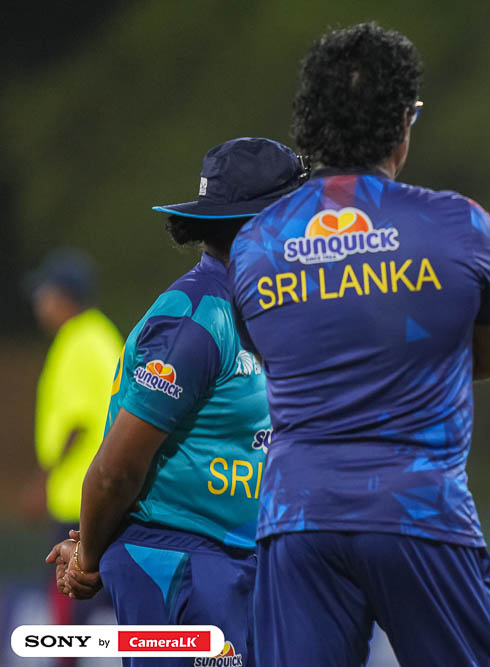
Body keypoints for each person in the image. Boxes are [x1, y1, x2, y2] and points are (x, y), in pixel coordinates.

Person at [227, 23, 490, 666]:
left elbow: (271, 356)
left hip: (298, 515)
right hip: (419, 510)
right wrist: (410, 364)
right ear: (402, 124)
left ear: (310, 125)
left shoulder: (255, 242)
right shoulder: (459, 223)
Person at [46, 137, 307, 666]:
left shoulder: (264, 310)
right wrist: (88, 558)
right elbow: (116, 468)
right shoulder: (194, 319)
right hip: (180, 565)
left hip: (241, 561)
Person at [23, 248, 123, 639]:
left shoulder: (78, 341)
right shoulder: (101, 335)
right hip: (101, 493)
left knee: (67, 609)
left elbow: (79, 422)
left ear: (64, 296)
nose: (39, 304)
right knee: (106, 602)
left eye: (44, 294)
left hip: (75, 497)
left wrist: (43, 479)